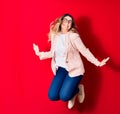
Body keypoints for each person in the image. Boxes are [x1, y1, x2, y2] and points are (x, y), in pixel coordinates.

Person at [33, 13, 109, 109]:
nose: (67, 23)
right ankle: (74, 91)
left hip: (75, 69)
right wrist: (40, 53)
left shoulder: (74, 36)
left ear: (71, 24)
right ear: (61, 22)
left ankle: (77, 90)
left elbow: (84, 51)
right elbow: (53, 53)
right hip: (61, 69)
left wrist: (98, 62)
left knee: (64, 96)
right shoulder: (55, 36)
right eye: (65, 20)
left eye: (70, 22)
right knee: (52, 96)